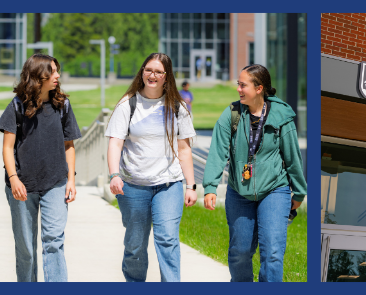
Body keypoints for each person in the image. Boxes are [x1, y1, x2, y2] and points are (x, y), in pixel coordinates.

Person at [200, 64, 306, 282]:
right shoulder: (232, 114)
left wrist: (299, 192)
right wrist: (210, 187)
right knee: (239, 252)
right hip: (239, 192)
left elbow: (293, 157)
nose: (238, 89)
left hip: (275, 191)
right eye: (238, 84)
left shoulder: (281, 116)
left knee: (273, 254)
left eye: (243, 85)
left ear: (259, 88)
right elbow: (217, 152)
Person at [105, 53, 199, 282]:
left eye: (158, 71)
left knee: (167, 239)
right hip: (133, 186)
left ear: (167, 77)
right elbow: (115, 143)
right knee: (135, 244)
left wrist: (191, 185)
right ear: (142, 72)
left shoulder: (179, 107)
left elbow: (184, 150)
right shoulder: (128, 104)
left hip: (169, 185)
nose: (152, 75)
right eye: (148, 70)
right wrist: (114, 174)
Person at [0, 54, 79, 282]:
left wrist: (71, 179)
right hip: (22, 185)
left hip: (55, 183)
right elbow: (7, 147)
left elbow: (69, 145)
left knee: (54, 241)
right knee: (25, 247)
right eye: (52, 72)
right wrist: (13, 179)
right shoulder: (16, 106)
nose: (57, 76)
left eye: (57, 71)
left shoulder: (62, 105)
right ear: (37, 76)